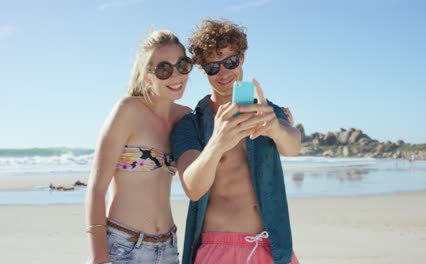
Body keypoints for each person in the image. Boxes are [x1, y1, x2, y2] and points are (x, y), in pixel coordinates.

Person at [171, 19, 301, 264]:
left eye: (229, 61)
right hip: (219, 249)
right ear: (202, 69)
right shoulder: (191, 124)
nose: (223, 73)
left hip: (272, 248)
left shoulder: (266, 110)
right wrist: (218, 143)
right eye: (212, 67)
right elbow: (193, 188)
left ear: (241, 59)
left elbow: (293, 146)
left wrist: (276, 129)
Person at [85, 29, 193, 264]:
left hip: (169, 249)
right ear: (147, 76)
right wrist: (99, 257)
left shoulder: (186, 117)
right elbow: (96, 188)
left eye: (182, 65)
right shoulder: (128, 110)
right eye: (164, 69)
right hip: (124, 248)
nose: (176, 75)